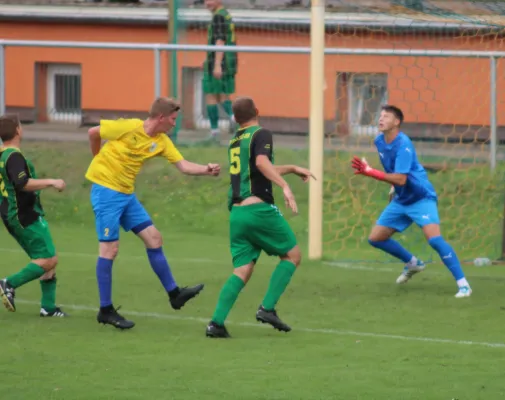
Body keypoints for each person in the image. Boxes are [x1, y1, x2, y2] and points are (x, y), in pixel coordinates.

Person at [86, 97, 221, 330]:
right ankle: (105, 310)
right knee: (110, 249)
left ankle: (174, 294)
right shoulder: (128, 127)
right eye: (173, 119)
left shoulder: (161, 141)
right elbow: (93, 132)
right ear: (161, 117)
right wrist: (97, 157)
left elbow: (184, 166)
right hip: (106, 191)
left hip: (126, 194)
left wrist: (207, 170)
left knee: (154, 238)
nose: (174, 123)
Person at [206, 96, 315, 338]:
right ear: (257, 110)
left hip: (238, 214)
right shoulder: (261, 133)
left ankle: (216, 323)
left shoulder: (236, 140)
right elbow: (262, 162)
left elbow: (259, 168)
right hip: (258, 210)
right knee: (292, 255)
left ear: (235, 119)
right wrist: (285, 186)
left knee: (242, 270)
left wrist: (293, 169)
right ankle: (267, 308)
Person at [351, 104, 472, 298]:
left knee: (435, 240)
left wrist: (370, 172)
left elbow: (401, 178)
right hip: (402, 199)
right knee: (376, 238)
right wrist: (393, 187)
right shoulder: (379, 141)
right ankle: (413, 263)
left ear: (396, 122)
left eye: (386, 116)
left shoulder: (404, 144)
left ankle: (463, 284)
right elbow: (394, 174)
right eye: (380, 115)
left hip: (421, 197)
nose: (381, 119)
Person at [0, 114, 67, 317]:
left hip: (14, 214)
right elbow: (23, 183)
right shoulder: (13, 156)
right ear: (18, 130)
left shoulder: (3, 155)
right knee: (48, 259)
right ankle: (8, 283)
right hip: (23, 216)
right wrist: (52, 182)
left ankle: (48, 308)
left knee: (45, 255)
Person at [203, 0, 237, 140]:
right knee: (220, 96)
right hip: (227, 61)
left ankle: (215, 133)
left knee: (211, 95)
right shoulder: (226, 15)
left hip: (220, 62)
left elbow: (220, 41)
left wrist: (217, 64)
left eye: (210, 0)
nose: (206, 3)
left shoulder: (219, 16)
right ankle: (235, 121)